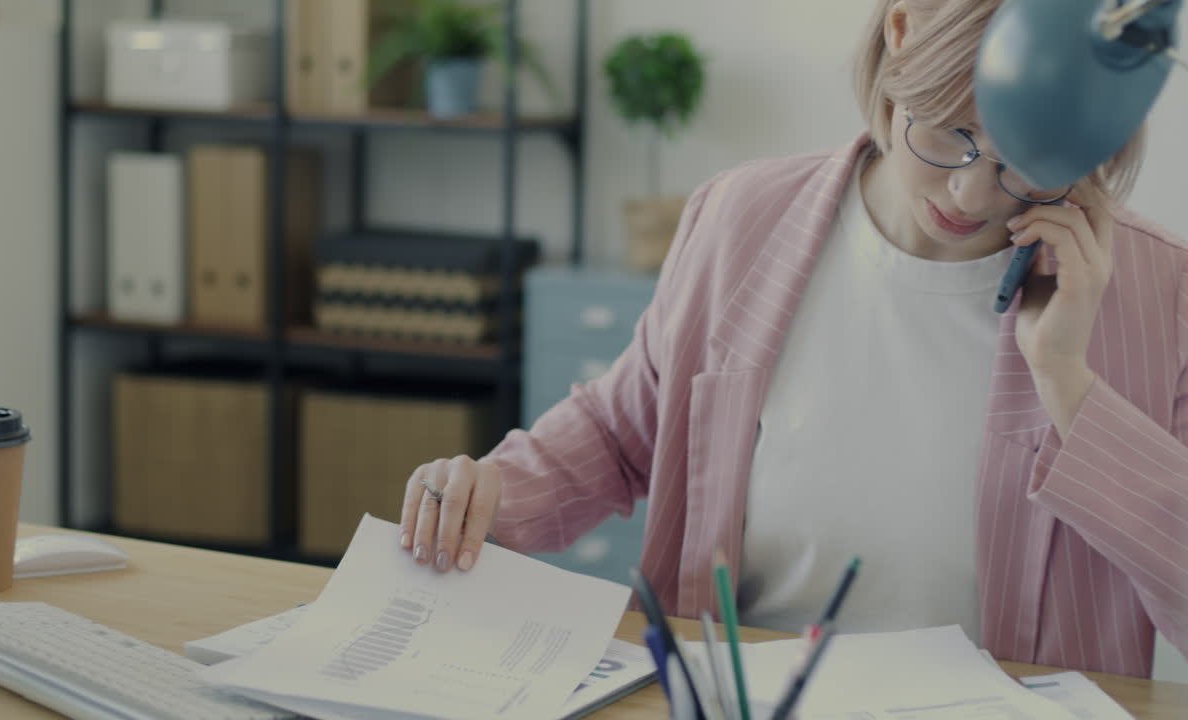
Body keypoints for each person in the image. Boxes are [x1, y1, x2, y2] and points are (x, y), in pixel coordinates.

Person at [394, 0, 1188, 678]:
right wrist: (495, 493)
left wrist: (1069, 386)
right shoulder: (741, 216)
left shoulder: (1161, 290)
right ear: (902, 33)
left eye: (1026, 166)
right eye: (949, 133)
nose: (970, 193)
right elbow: (625, 428)